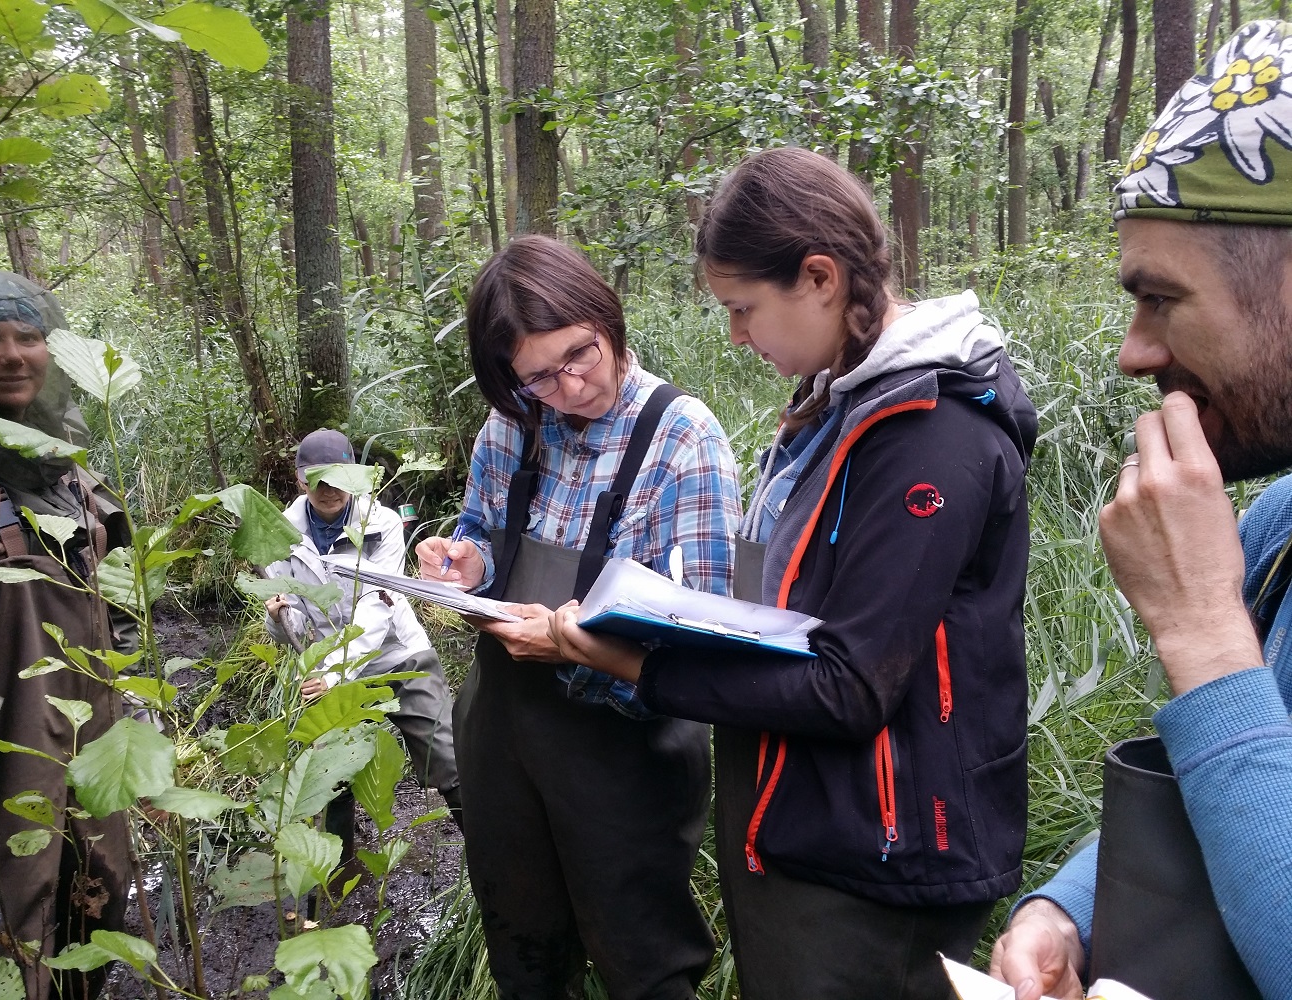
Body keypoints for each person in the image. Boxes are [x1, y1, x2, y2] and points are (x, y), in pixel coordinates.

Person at [549, 146, 1038, 1000]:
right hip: (808, 821)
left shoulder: (930, 436)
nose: (736, 336)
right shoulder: (841, 399)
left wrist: (639, 666)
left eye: (743, 308)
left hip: (879, 858)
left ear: (819, 276)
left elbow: (851, 687)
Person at [988, 20, 1292, 1000]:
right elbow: (1235, 776)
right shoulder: (1275, 527)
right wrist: (1070, 904)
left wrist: (1204, 633)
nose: (1133, 351)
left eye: (1160, 298)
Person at [414, 235, 742, 1000]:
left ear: (606, 320)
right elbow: (479, 532)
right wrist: (466, 565)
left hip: (622, 750)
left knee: (644, 965)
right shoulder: (509, 428)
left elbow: (703, 638)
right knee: (523, 952)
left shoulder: (682, 438)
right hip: (500, 734)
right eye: (538, 376)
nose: (567, 385)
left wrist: (569, 645)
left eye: (579, 355)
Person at [0, 270, 132, 1000]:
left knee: (99, 908)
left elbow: (121, 616)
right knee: (2, 946)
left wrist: (140, 747)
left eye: (28, 338)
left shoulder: (71, 477)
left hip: (91, 765)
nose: (11, 355)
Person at [263, 428, 461, 835]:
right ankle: (335, 877)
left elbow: (377, 606)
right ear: (301, 478)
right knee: (330, 777)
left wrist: (336, 672)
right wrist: (277, 617)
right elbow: (294, 626)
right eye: (318, 478)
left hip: (397, 656)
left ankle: (489, 855)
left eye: (339, 477)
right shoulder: (280, 534)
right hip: (327, 668)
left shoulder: (382, 523)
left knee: (450, 757)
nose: (330, 489)